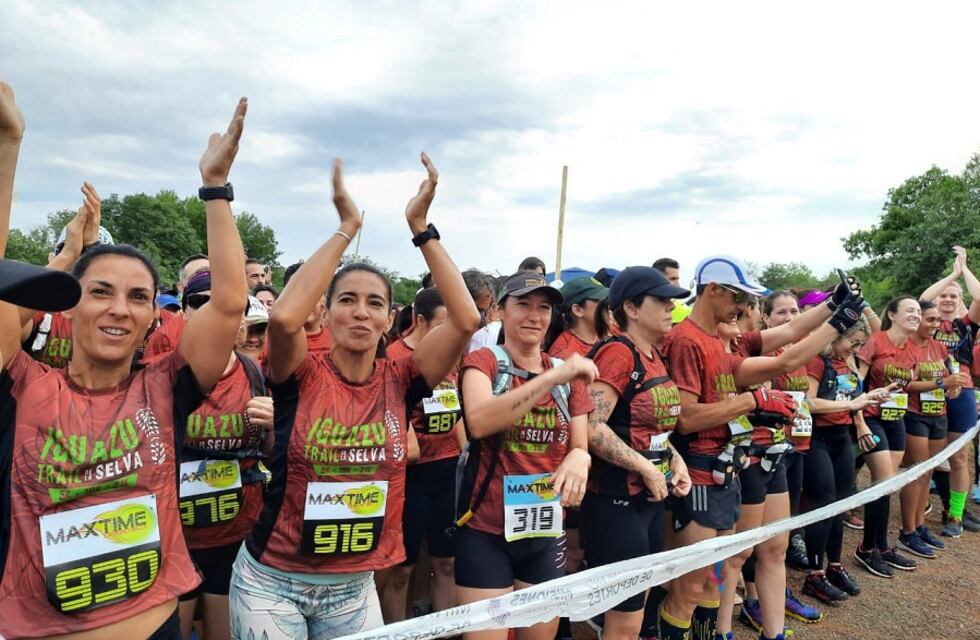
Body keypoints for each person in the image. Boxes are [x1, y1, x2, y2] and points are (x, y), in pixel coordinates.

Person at [0, 86, 250, 639]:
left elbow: (230, 302)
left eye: (138, 297)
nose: (119, 309)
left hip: (156, 624)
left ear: (153, 317)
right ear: (70, 302)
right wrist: (7, 146)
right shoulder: (22, 385)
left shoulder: (165, 386)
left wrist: (215, 188)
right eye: (100, 292)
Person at [230, 153, 480, 640]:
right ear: (326, 311)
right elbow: (282, 319)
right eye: (347, 300)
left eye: (375, 303)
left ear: (391, 318)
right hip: (272, 582)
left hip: (353, 588)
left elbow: (466, 319)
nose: (361, 313)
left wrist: (421, 228)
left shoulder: (402, 377)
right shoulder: (299, 371)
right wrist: (346, 227)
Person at [657, 255, 865, 640]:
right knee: (689, 587)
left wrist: (833, 305)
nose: (743, 308)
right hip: (701, 472)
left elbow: (789, 338)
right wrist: (752, 403)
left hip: (727, 470)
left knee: (715, 581)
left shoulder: (726, 339)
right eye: (737, 297)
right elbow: (684, 419)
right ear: (713, 290)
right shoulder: (687, 340)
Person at [456, 271, 593, 640]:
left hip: (544, 531)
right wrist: (550, 378)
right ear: (501, 311)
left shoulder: (568, 378)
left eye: (544, 307)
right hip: (485, 533)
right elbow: (481, 421)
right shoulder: (483, 362)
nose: (534, 316)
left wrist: (581, 457)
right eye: (523, 305)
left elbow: (580, 443)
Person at [580, 266, 692, 640]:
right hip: (615, 500)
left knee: (637, 611)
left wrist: (676, 461)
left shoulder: (653, 355)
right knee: (624, 620)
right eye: (661, 301)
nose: (670, 308)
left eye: (672, 301)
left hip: (649, 501)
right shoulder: (618, 352)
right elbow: (592, 427)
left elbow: (652, 428)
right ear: (630, 306)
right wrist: (644, 467)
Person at [174, 282, 275, 640]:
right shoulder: (162, 371)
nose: (212, 311)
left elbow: (272, 450)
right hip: (175, 534)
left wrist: (274, 426)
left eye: (227, 307)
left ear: (242, 322)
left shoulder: (255, 373)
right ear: (184, 312)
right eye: (200, 302)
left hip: (234, 528)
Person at [378, 287, 464, 621]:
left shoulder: (452, 356)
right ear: (419, 320)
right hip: (408, 477)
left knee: (446, 562)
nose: (450, 334)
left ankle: (444, 630)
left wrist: (465, 454)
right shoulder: (395, 358)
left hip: (447, 470)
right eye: (443, 325)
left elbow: (454, 412)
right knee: (402, 569)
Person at [800, 319, 891, 603]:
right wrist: (852, 405)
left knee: (841, 504)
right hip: (817, 438)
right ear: (835, 337)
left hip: (842, 437)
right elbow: (809, 402)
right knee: (823, 503)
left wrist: (866, 407)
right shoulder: (816, 360)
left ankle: (834, 565)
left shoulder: (848, 363)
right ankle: (814, 574)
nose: (856, 349)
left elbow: (854, 398)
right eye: (852, 342)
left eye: (860, 345)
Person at [852, 296, 921, 577]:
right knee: (882, 481)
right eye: (910, 310)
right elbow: (855, 382)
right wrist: (858, 421)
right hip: (870, 418)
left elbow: (905, 387)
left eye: (918, 311)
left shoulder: (912, 350)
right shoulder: (876, 341)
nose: (916, 315)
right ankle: (867, 548)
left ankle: (882, 546)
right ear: (892, 314)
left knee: (889, 484)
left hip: (895, 420)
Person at [897, 301, 969, 555]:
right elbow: (904, 384)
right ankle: (906, 532)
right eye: (930, 320)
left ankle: (919, 526)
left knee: (928, 474)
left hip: (938, 413)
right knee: (915, 473)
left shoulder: (940, 346)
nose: (935, 325)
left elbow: (951, 375)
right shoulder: (905, 346)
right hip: (914, 414)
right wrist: (942, 382)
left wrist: (954, 385)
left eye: (937, 321)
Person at [919, 246, 980, 536]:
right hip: (932, 390)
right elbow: (922, 300)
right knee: (930, 457)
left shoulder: (966, 326)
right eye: (944, 295)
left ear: (961, 301)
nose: (946, 299)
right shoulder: (926, 324)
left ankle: (954, 517)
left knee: (958, 457)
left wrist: (964, 270)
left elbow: (979, 297)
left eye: (953, 296)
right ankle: (919, 516)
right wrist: (950, 276)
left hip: (963, 392)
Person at [546, 276, 609, 359]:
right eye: (601, 301)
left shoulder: (602, 340)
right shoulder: (564, 355)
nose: (608, 306)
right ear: (578, 310)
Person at [653, 258, 691, 324]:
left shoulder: (682, 307)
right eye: (673, 279)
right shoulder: (645, 308)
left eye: (677, 279)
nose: (678, 285)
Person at [238, 294, 269, 361]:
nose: (253, 339)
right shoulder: (214, 368)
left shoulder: (273, 363)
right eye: (245, 330)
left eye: (260, 330)